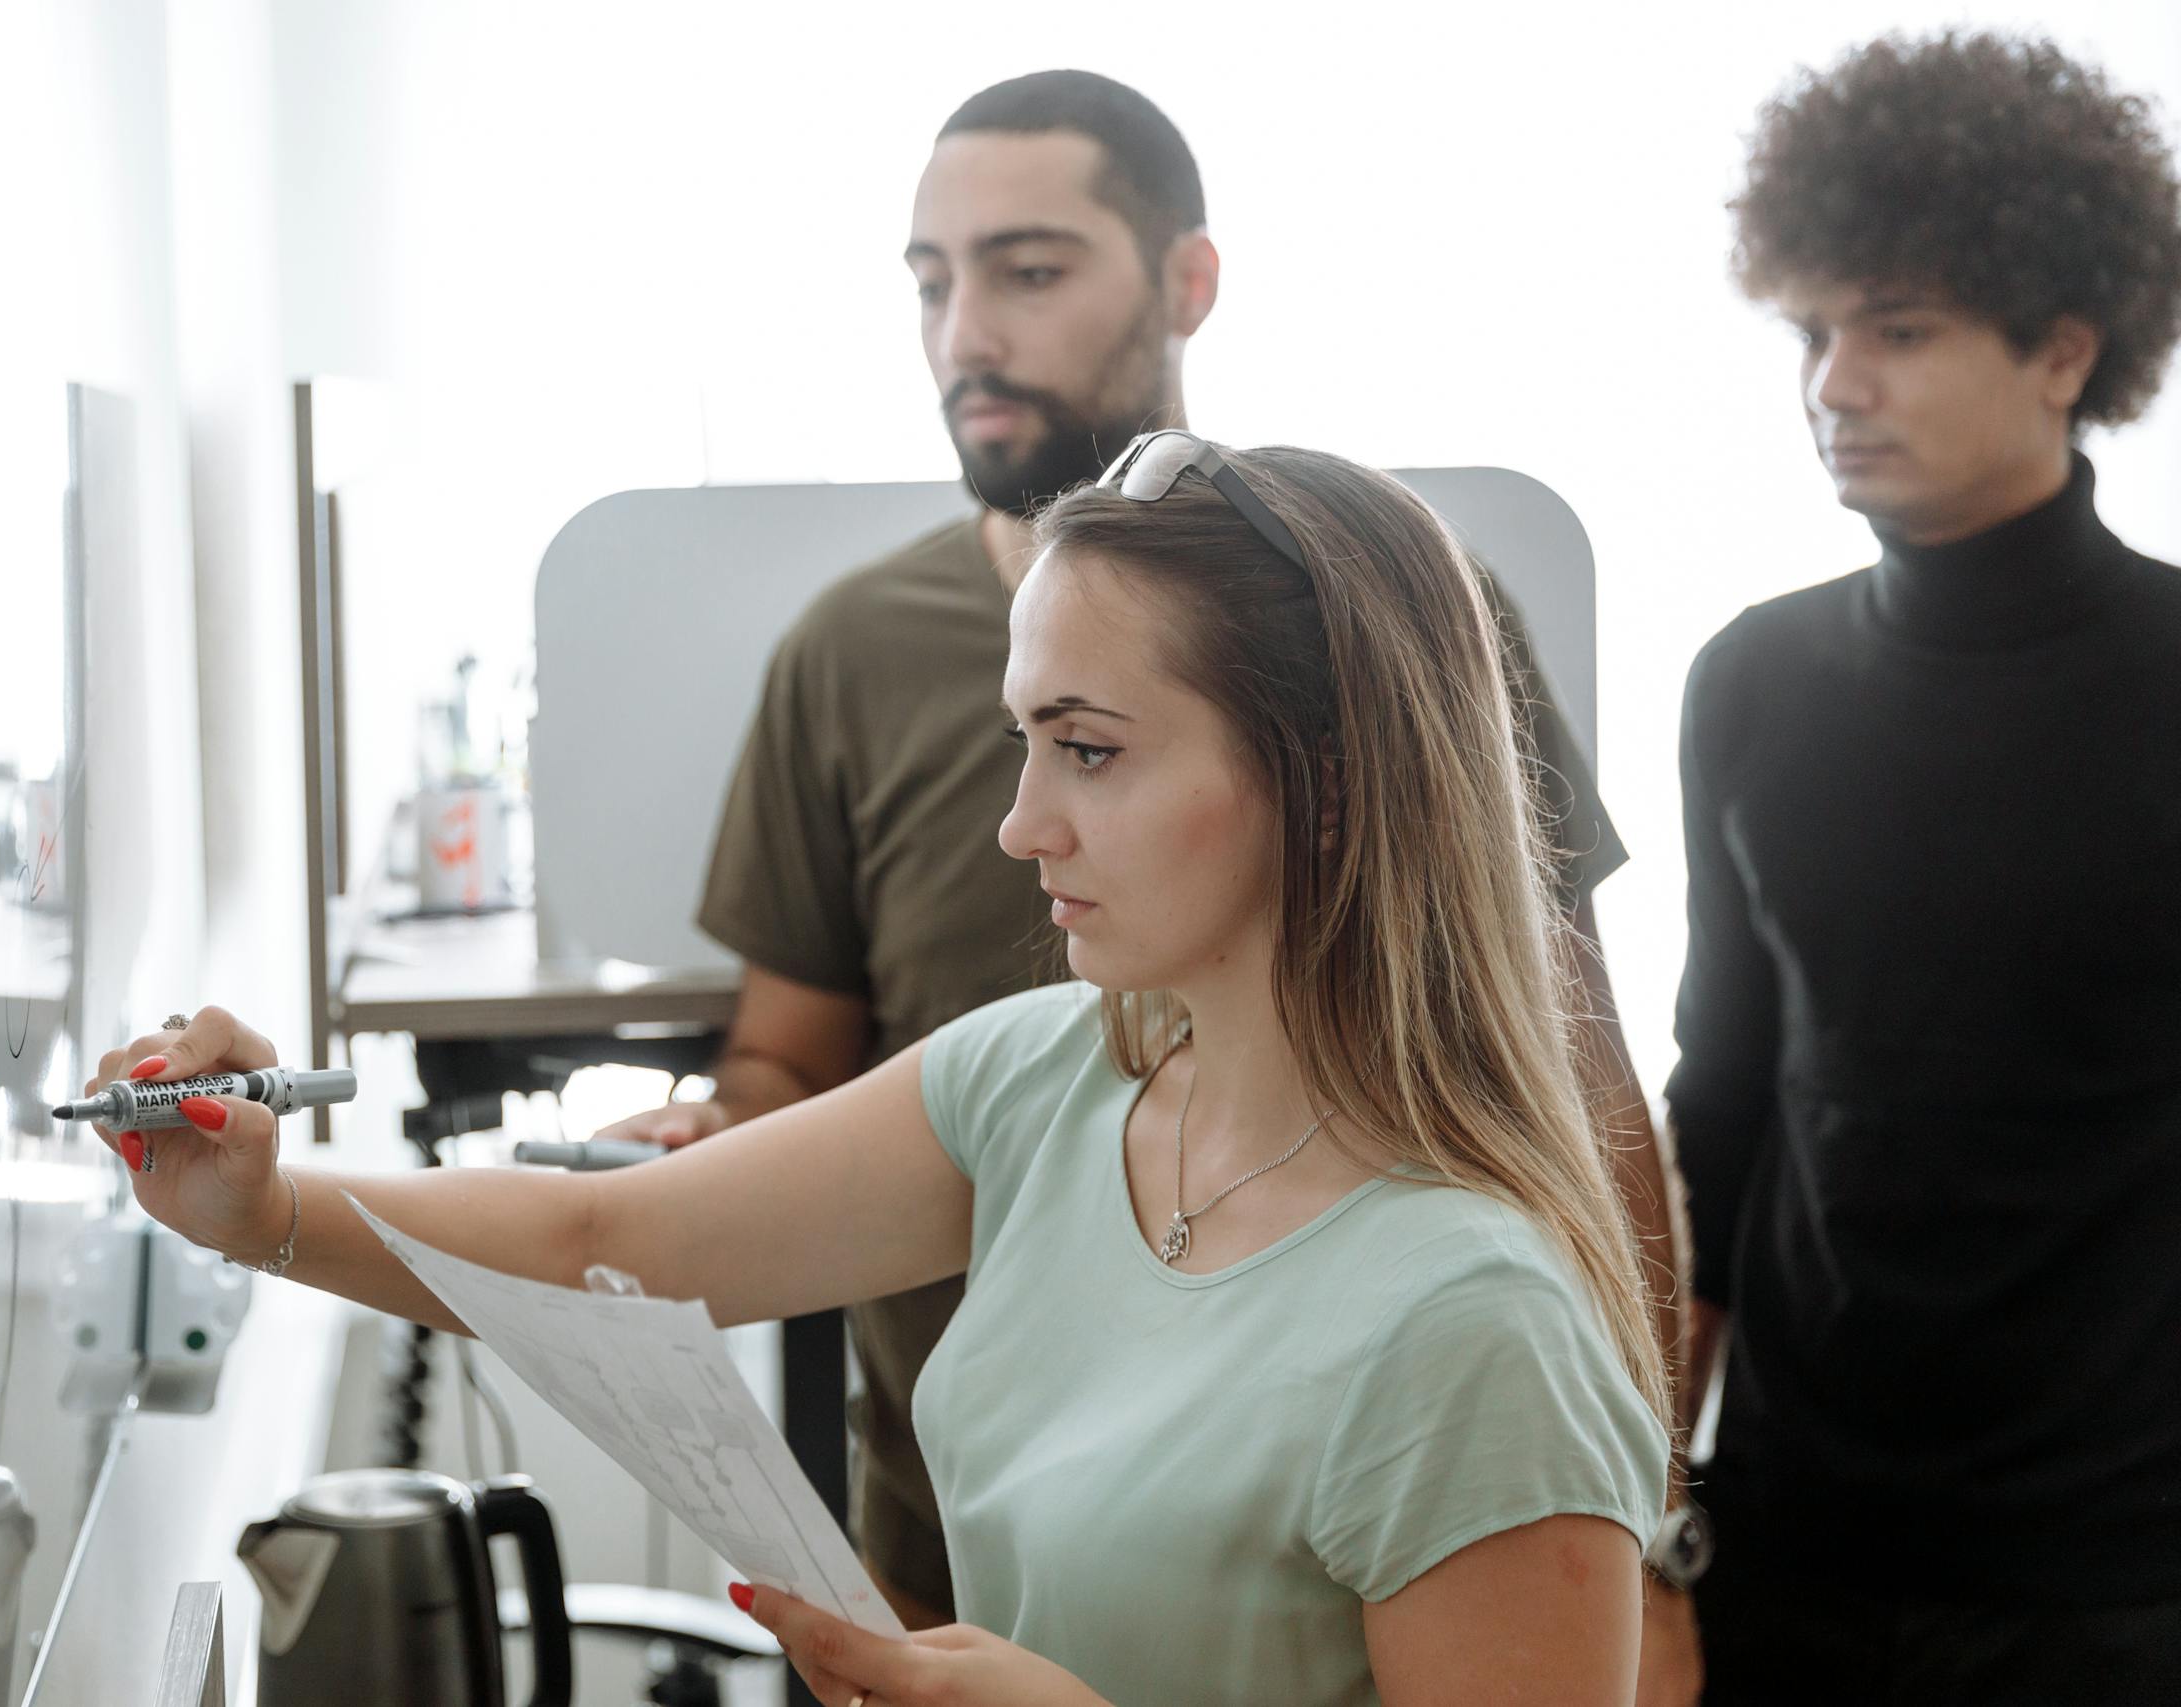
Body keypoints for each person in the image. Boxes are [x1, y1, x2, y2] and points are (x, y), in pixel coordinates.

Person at [96, 436, 1672, 1706]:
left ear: (1322, 785)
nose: (1022, 825)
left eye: (1093, 750)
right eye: (1022, 743)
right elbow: (613, 1247)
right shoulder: (1048, 1083)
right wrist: (265, 1204)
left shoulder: (1477, 1333)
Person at [590, 69, 1696, 1664]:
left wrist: (1636, 1537)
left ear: (1188, 281)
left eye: (1028, 271)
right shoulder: (848, 655)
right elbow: (787, 1052)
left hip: (1318, 1518)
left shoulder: (1385, 631)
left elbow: (1571, 1067)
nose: (968, 330)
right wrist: (710, 1144)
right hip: (946, 1516)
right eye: (931, 281)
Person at [1670, 31, 2181, 1703]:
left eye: (1896, 330)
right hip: (1794, 1554)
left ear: (2062, 346)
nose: (1833, 384)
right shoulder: (1752, 680)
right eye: (1813, 332)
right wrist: (1649, 1483)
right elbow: (1726, 1106)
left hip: (2116, 1582)